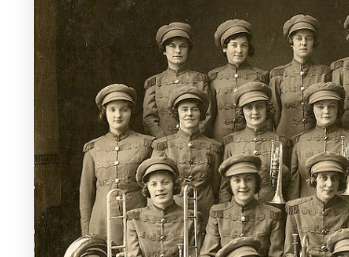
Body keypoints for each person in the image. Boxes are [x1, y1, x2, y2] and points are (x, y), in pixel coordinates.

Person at [199, 155, 288, 257]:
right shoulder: (218, 213)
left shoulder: (272, 214)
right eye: (237, 180)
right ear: (230, 184)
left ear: (256, 183)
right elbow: (209, 255)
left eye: (248, 179)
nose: (243, 185)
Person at [118, 157, 200, 257]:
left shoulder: (191, 217)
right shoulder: (134, 218)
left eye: (165, 182)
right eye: (153, 184)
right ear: (147, 189)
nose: (160, 188)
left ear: (174, 185)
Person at [79, 84, 154, 239]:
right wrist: (86, 234)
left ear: (131, 112)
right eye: (112, 110)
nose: (118, 115)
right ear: (104, 113)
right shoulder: (93, 149)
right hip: (101, 224)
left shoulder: (146, 145)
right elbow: (85, 195)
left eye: (124, 110)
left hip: (138, 222)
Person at [151, 84, 223, 221]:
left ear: (200, 114)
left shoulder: (214, 147)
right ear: (177, 113)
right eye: (184, 109)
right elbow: (155, 184)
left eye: (194, 109)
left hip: (206, 211)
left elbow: (216, 185)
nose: (189, 114)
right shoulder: (163, 146)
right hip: (174, 213)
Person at [287, 81, 349, 202]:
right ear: (312, 109)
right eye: (320, 107)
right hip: (308, 208)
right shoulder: (299, 142)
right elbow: (294, 186)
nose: (326, 111)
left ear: (338, 109)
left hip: (343, 207)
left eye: (332, 106)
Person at [218, 81, 291, 205]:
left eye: (260, 107)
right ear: (242, 111)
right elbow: (224, 187)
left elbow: (289, 186)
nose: (255, 112)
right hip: (239, 209)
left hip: (272, 209)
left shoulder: (281, 142)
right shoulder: (230, 143)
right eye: (249, 108)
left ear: (267, 109)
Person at [142, 22, 212, 139]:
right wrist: (163, 140)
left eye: (183, 46)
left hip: (195, 142)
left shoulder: (200, 80)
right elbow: (149, 119)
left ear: (188, 50)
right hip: (164, 143)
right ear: (164, 50)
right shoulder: (154, 83)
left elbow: (208, 116)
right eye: (172, 46)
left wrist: (193, 137)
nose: (178, 51)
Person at [269, 14, 332, 140]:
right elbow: (272, 114)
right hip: (285, 138)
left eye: (308, 39)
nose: (303, 43)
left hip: (316, 140)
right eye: (299, 38)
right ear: (291, 42)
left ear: (314, 42)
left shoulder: (324, 73)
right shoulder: (278, 75)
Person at [208, 19, 272, 141]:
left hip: (250, 140)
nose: (239, 50)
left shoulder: (261, 76)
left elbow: (268, 114)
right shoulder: (214, 77)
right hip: (220, 139)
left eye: (244, 45)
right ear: (225, 48)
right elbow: (209, 114)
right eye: (234, 45)